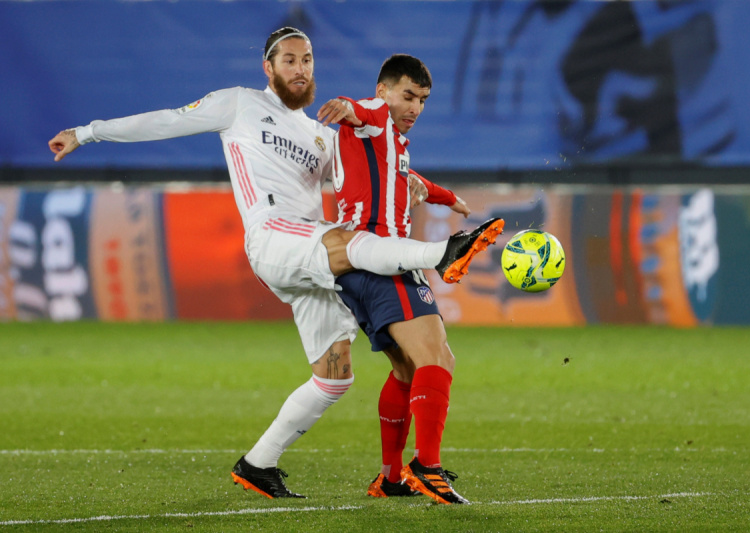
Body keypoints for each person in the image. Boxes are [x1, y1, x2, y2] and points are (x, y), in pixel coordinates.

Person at [47, 27, 503, 499]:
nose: (300, 69)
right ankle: (442, 254)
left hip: (312, 259)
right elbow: (165, 121)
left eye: (307, 60)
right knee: (352, 239)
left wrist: (424, 187)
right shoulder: (241, 104)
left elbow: (374, 162)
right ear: (269, 68)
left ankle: (258, 464)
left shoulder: (320, 137)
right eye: (289, 60)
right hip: (274, 235)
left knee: (335, 377)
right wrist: (87, 133)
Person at [317, 54, 504, 504]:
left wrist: (447, 197)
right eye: (407, 95)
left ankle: (390, 476)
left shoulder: (391, 144)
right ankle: (427, 466)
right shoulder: (375, 117)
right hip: (382, 260)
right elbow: (360, 109)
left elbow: (407, 177)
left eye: (422, 100)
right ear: (383, 90)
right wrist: (346, 106)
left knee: (406, 369)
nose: (415, 107)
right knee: (437, 357)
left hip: (359, 265)